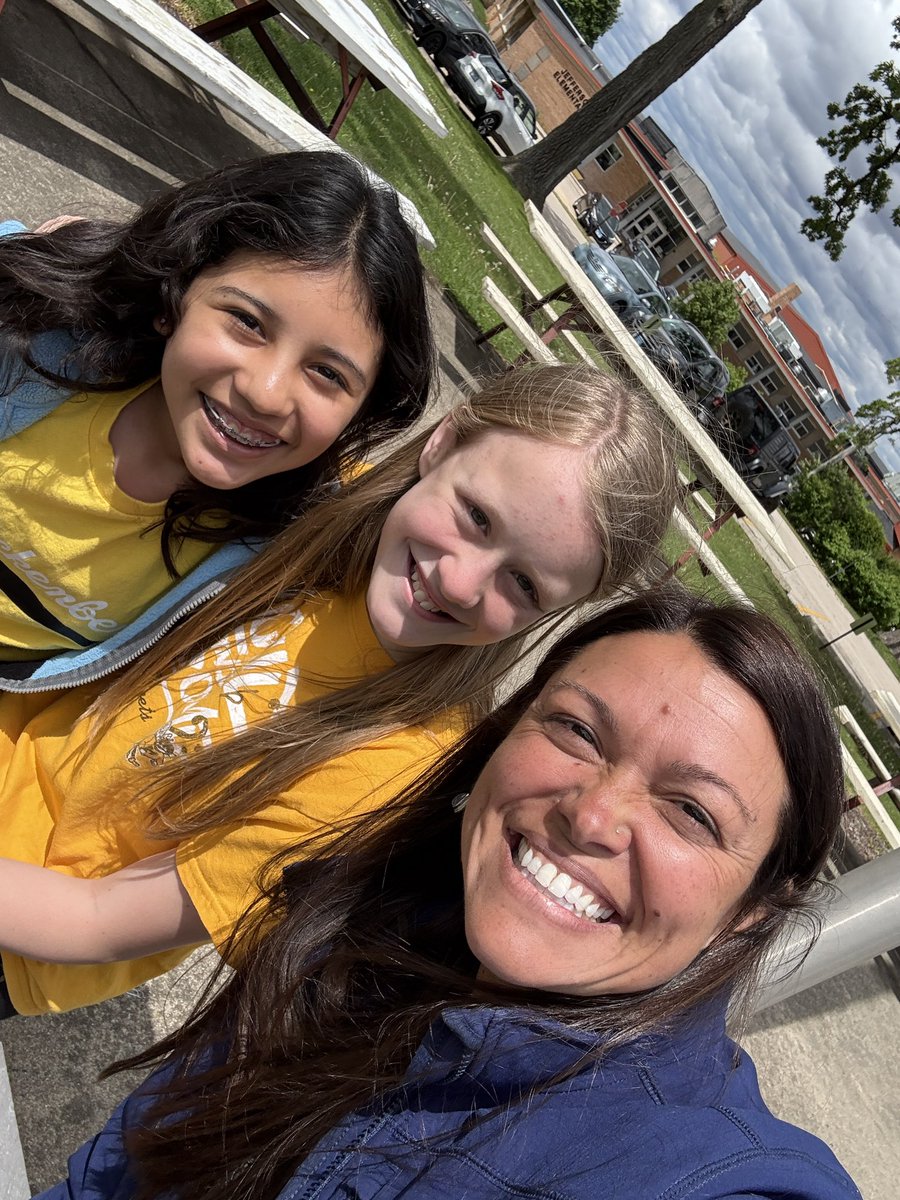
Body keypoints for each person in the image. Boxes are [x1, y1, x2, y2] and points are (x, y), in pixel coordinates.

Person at [36, 586, 860, 1200]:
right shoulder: (357, 919)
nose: (592, 815)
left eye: (691, 812)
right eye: (577, 730)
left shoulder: (698, 1168)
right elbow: (119, 1168)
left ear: (750, 911)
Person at [0, 363, 679, 1016]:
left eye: (524, 584)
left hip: (28, 931)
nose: (461, 582)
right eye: (477, 517)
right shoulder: (314, 500)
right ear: (442, 444)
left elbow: (98, 920)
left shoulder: (396, 763)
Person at [0, 150, 433, 677]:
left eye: (327, 373)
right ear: (175, 294)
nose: (266, 394)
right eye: (247, 322)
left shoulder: (284, 543)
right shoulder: (29, 333)